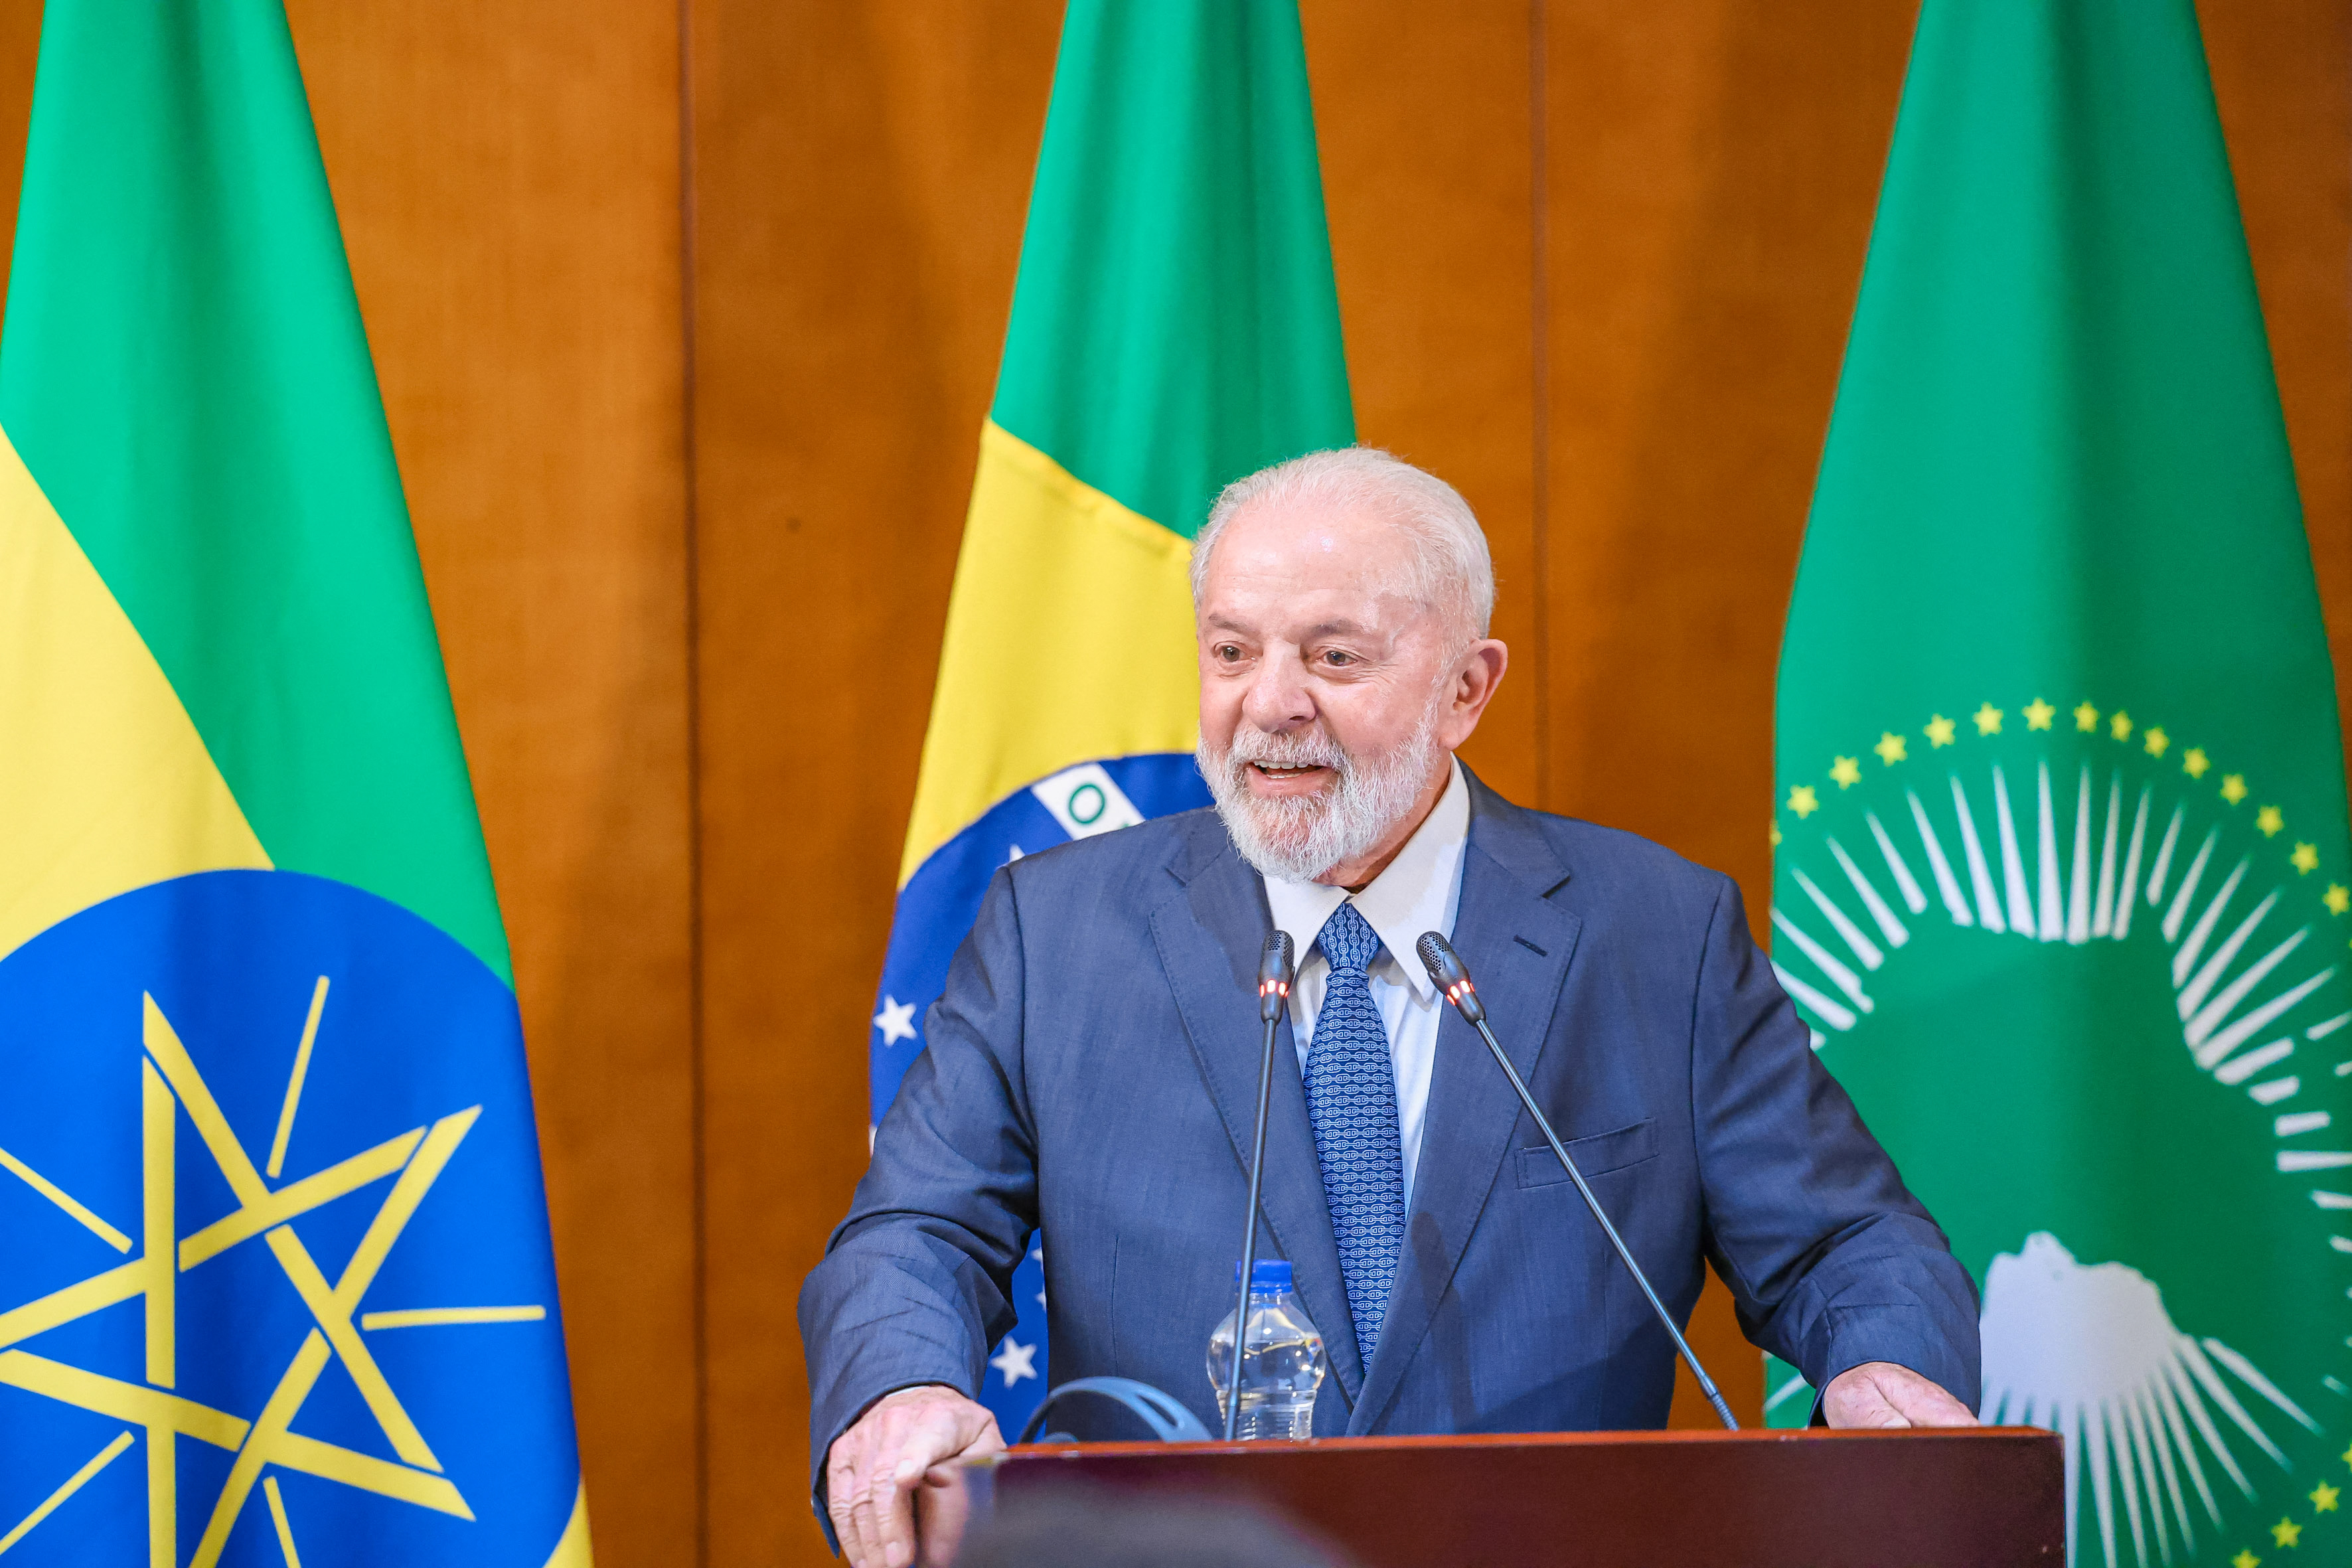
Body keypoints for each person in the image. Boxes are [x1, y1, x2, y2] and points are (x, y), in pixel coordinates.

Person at [803, 449, 1980, 1568]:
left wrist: (1886, 1366)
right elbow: (916, 1230)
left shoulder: (1657, 935)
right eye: (1230, 651)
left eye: (1335, 657)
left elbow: (1843, 1241)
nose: (1270, 705)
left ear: (1468, 687)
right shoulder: (1052, 933)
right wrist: (902, 1386)